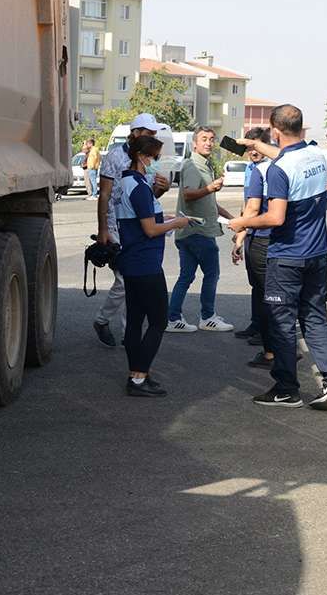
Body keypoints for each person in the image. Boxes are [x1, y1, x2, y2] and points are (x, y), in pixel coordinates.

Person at [228, 105, 327, 410]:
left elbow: (275, 217)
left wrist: (242, 223)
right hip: (317, 254)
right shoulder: (316, 155)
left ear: (275, 130)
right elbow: (285, 154)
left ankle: (286, 389)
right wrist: (255, 144)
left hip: (287, 257)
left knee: (281, 324)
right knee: (314, 319)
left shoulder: (278, 170)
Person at [114, 134, 189, 395]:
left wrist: (164, 218)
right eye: (154, 157)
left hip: (132, 261)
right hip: (144, 263)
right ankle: (138, 377)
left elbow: (143, 219)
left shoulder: (126, 182)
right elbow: (150, 229)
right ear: (141, 156)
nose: (156, 162)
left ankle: (136, 374)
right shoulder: (137, 186)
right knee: (158, 320)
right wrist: (177, 223)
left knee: (135, 320)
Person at [94, 113, 171, 347]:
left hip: (138, 225)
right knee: (125, 280)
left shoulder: (149, 158)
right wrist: (103, 229)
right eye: (149, 133)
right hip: (116, 223)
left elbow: (147, 198)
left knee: (132, 281)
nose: (153, 137)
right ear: (135, 133)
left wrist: (162, 189)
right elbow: (104, 194)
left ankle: (128, 334)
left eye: (155, 133)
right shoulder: (115, 156)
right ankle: (107, 322)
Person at [167, 126, 236, 333]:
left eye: (211, 139)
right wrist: (210, 188)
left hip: (190, 231)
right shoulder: (193, 165)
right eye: (204, 139)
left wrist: (233, 219)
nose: (208, 143)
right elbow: (188, 194)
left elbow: (209, 202)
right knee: (212, 274)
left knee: (186, 277)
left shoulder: (204, 165)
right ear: (194, 143)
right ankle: (207, 317)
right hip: (198, 231)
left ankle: (173, 318)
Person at [231, 127, 276, 369]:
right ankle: (257, 325)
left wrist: (241, 229)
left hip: (264, 236)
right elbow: (247, 203)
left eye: (255, 146)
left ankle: (271, 343)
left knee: (268, 290)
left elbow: (254, 208)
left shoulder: (270, 168)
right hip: (252, 232)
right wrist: (242, 234)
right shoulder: (252, 169)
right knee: (257, 286)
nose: (252, 152)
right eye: (249, 148)